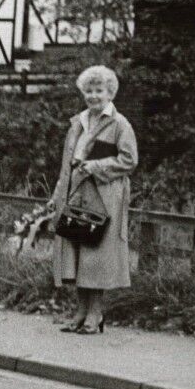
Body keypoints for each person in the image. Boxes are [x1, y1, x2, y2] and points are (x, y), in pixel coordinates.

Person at [45, 64, 138, 333]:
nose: (93, 96)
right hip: (75, 195)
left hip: (103, 196)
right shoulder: (78, 123)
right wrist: (56, 197)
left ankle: (95, 314)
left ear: (111, 93)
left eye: (99, 90)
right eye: (89, 90)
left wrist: (96, 166)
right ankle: (81, 312)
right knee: (76, 254)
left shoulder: (120, 124)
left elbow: (129, 161)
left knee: (95, 255)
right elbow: (66, 165)